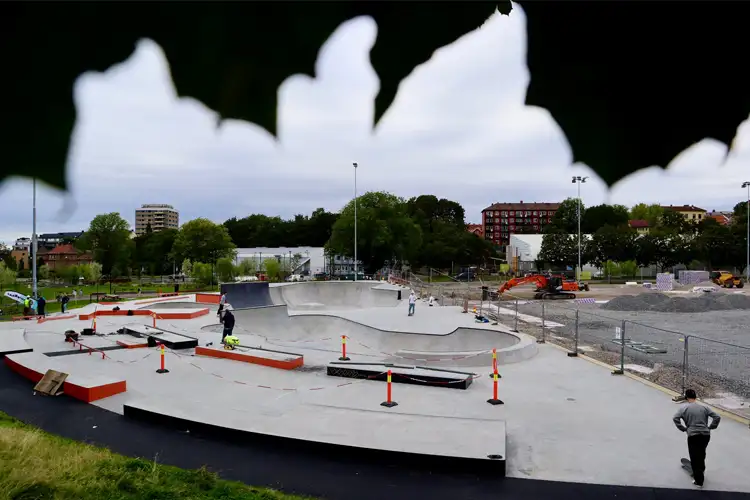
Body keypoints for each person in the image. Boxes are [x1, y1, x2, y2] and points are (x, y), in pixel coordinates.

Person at [673, 388, 721, 487]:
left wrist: (683, 428)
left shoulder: (684, 408)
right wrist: (711, 427)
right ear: (695, 397)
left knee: (695, 457)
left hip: (693, 435)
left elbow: (675, 418)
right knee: (701, 453)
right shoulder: (704, 407)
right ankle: (701, 470)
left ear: (686, 397)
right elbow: (717, 417)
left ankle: (699, 481)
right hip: (705, 435)